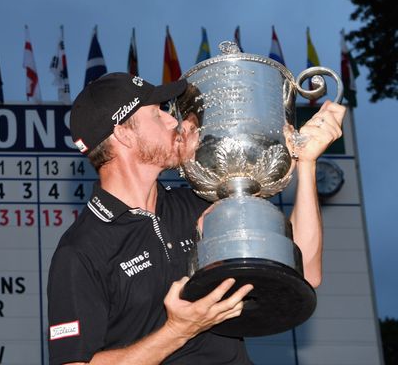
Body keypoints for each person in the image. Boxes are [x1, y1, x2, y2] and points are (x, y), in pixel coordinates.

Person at [47, 72, 345, 364]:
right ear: (124, 133)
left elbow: (304, 270)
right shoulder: (81, 250)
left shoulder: (199, 205)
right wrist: (178, 331)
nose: (172, 120)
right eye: (157, 113)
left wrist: (307, 164)